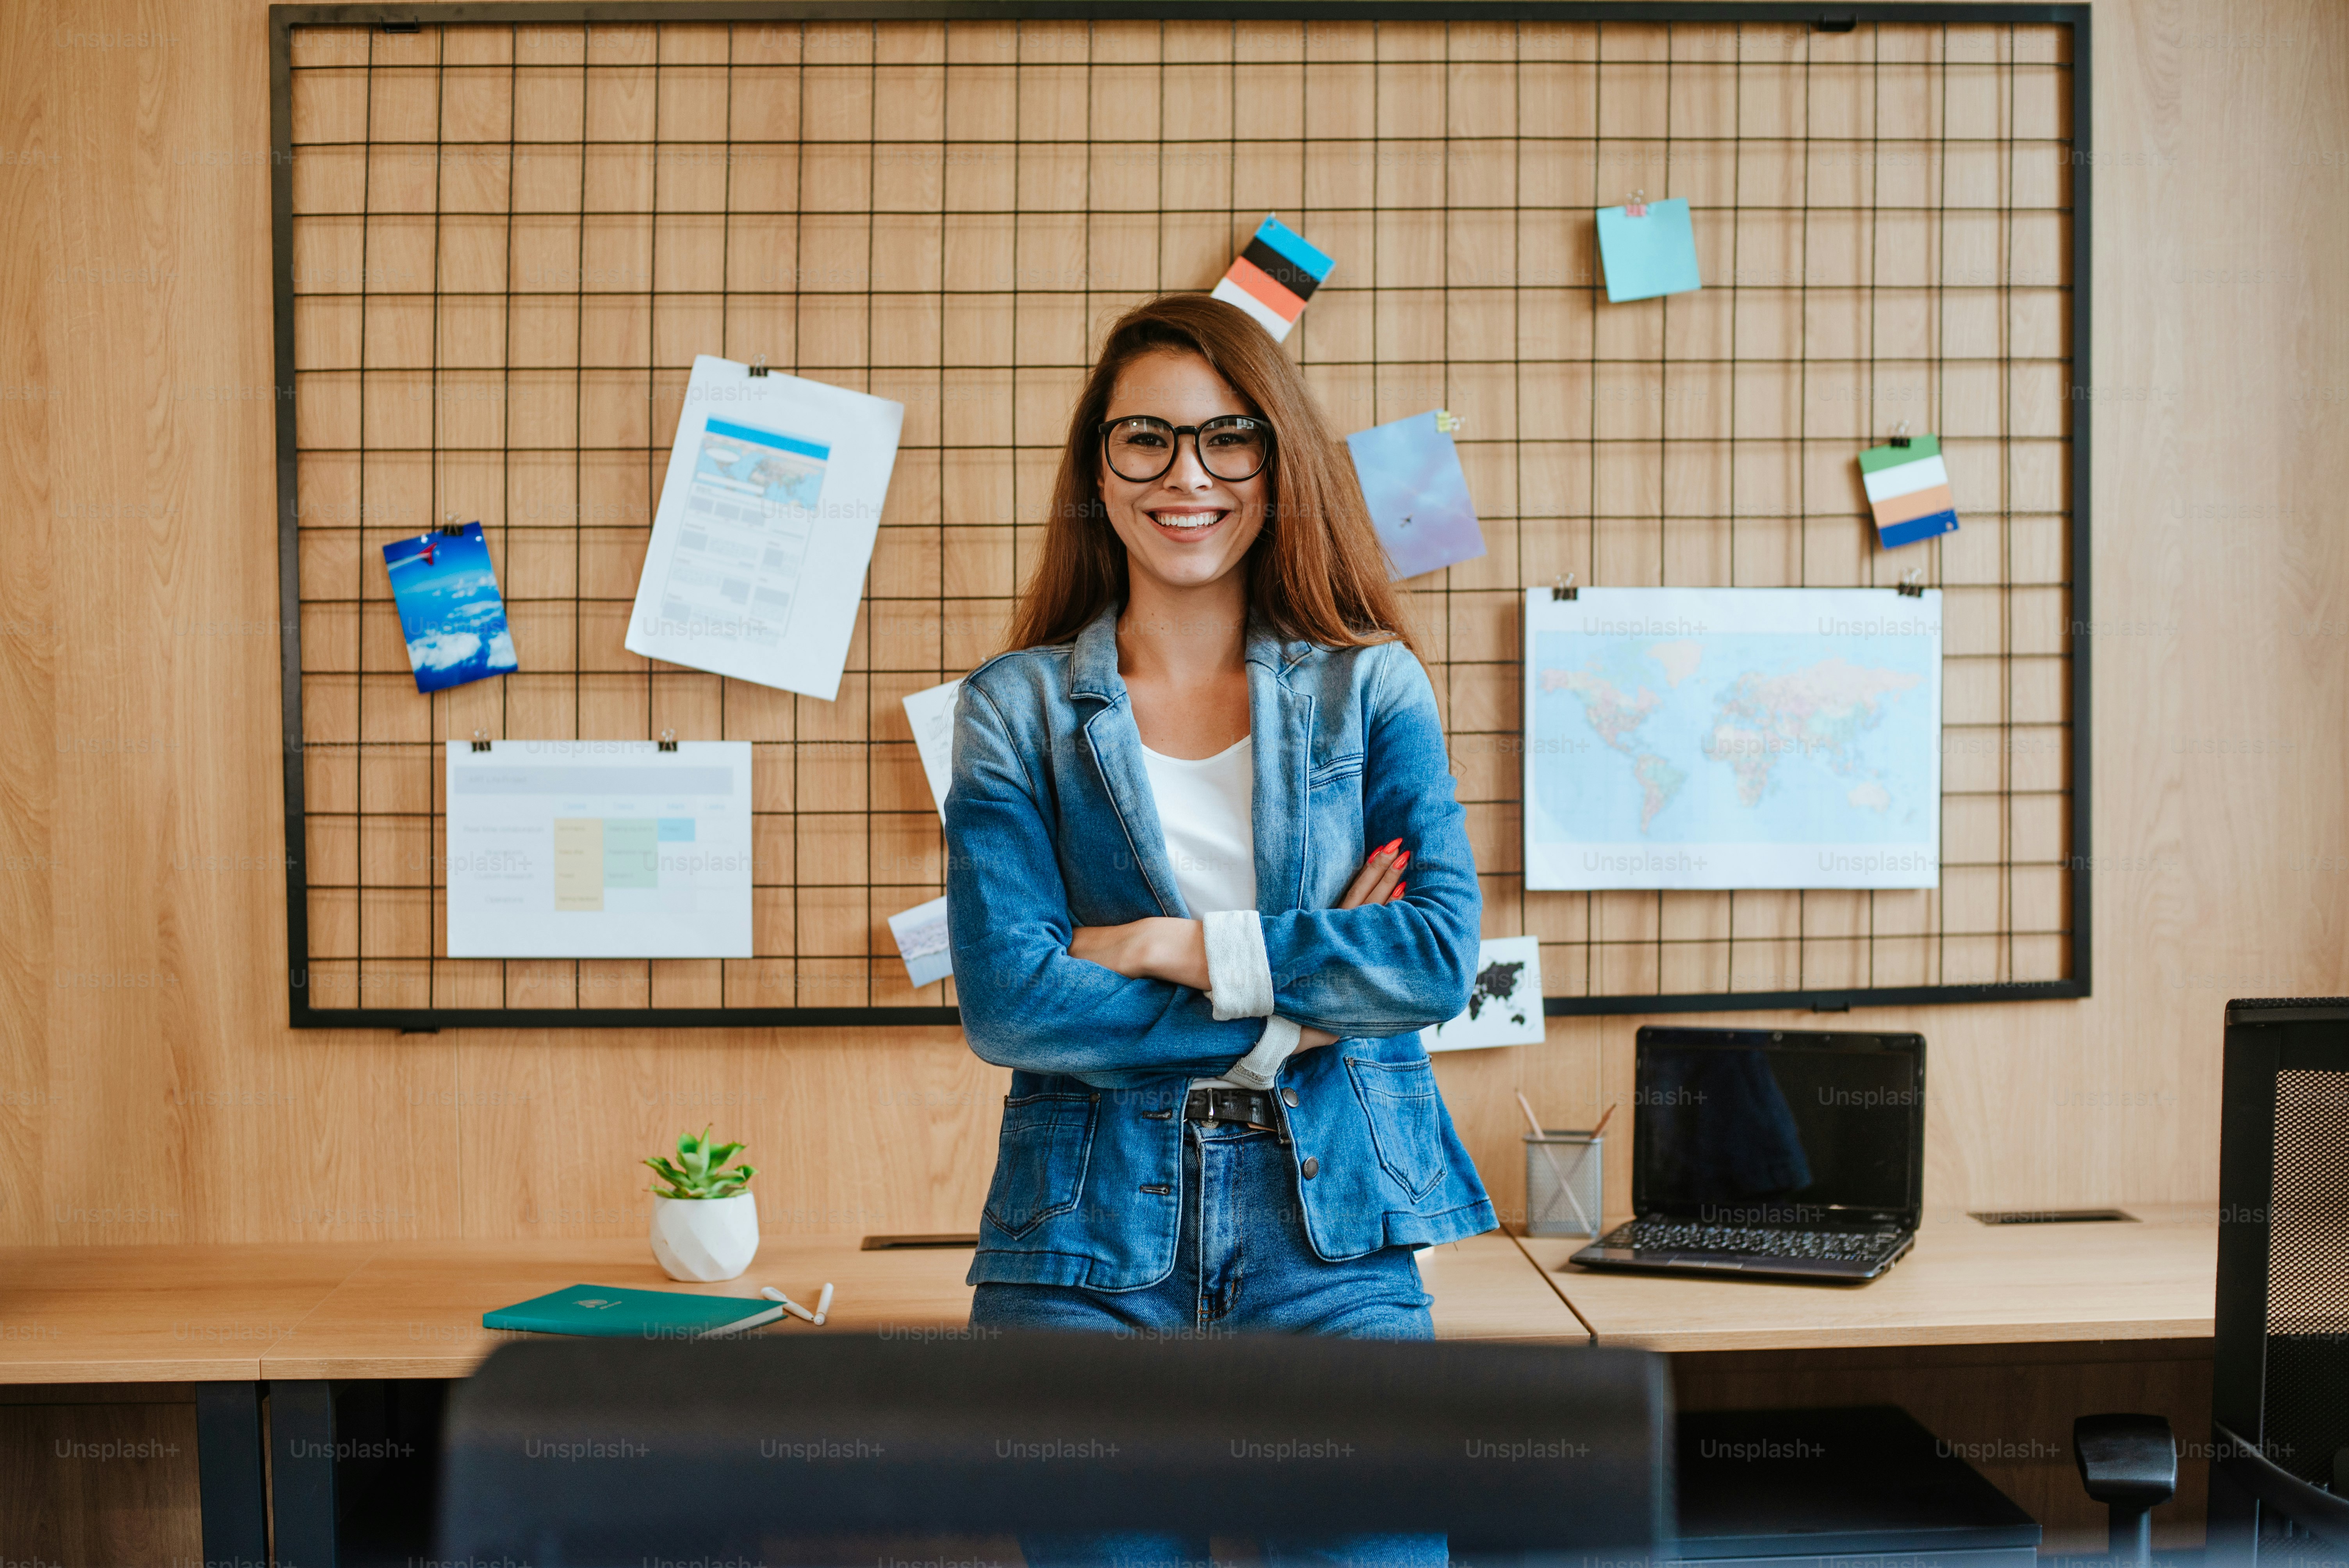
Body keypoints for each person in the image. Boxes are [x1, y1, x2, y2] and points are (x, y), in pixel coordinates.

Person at [942, 293, 1494, 1560]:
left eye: (1226, 439)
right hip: (1083, 1246)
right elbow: (1012, 1002)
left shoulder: (1372, 686)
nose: (1186, 476)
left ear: (1275, 459)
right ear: (1100, 465)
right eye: (1147, 439)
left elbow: (1432, 960)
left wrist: (1169, 943)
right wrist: (1306, 995)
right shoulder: (1013, 711)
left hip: (1337, 1234)